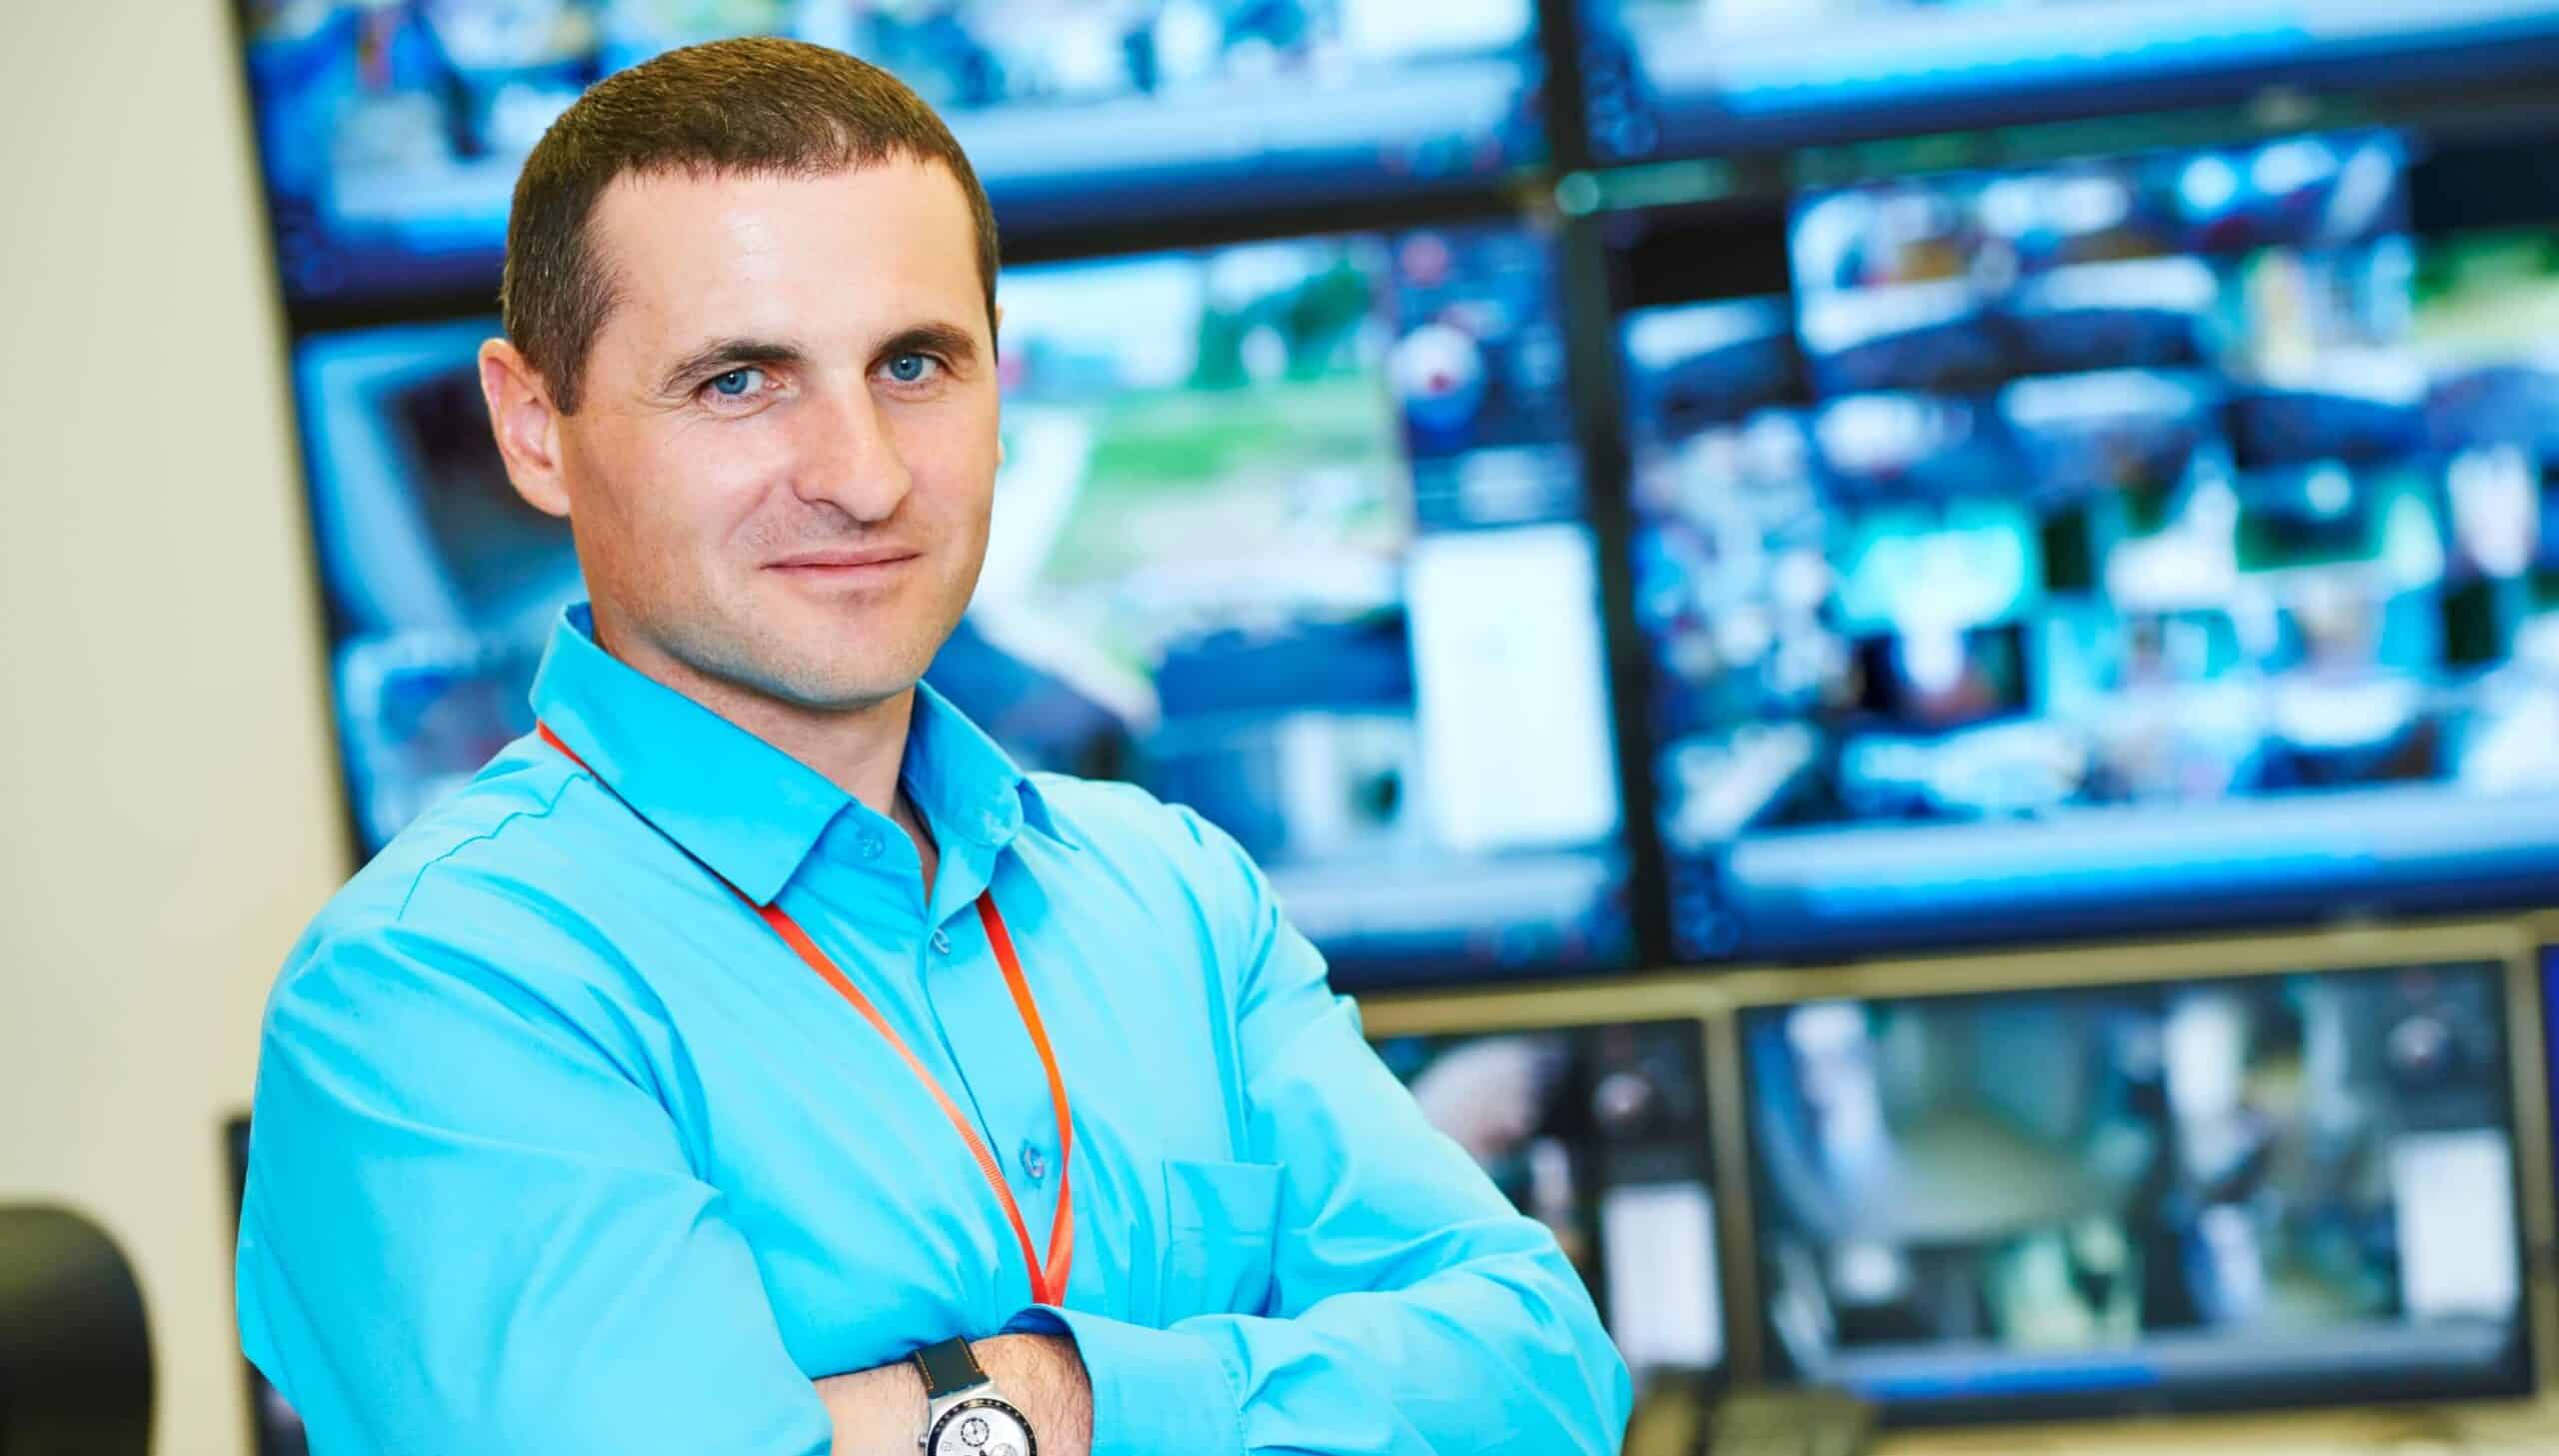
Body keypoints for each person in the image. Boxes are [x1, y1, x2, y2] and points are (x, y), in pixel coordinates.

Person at [236, 35, 1629, 1456]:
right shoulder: (435, 992)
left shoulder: (1171, 897)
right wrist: (1227, 1382)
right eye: (739, 381)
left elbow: (1545, 1374)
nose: (863, 474)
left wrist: (1043, 1404)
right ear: (536, 428)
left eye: (914, 363)